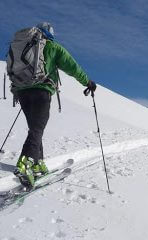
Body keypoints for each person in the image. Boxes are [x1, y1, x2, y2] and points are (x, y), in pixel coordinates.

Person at [10, 22, 97, 187]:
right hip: (41, 91)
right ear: (49, 34)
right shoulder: (52, 47)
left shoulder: (25, 45)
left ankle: (37, 163)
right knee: (37, 129)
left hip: (22, 92)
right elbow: (72, 66)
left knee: (35, 128)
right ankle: (25, 164)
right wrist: (88, 82)